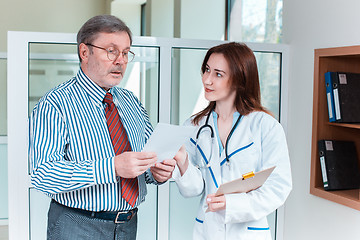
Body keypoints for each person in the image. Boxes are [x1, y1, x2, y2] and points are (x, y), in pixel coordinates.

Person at [29, 15, 175, 240]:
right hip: (76, 226)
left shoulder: (131, 102)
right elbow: (43, 173)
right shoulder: (55, 104)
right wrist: (112, 167)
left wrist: (157, 173)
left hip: (128, 225)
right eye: (111, 50)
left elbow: (146, 161)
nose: (121, 60)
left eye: (126, 52)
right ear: (85, 52)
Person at [172, 42, 292, 240]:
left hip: (248, 232)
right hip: (207, 230)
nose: (207, 80)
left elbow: (279, 186)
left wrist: (234, 204)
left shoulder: (265, 126)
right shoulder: (195, 126)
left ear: (240, 80)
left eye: (218, 74)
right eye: (207, 70)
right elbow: (193, 189)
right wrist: (183, 163)